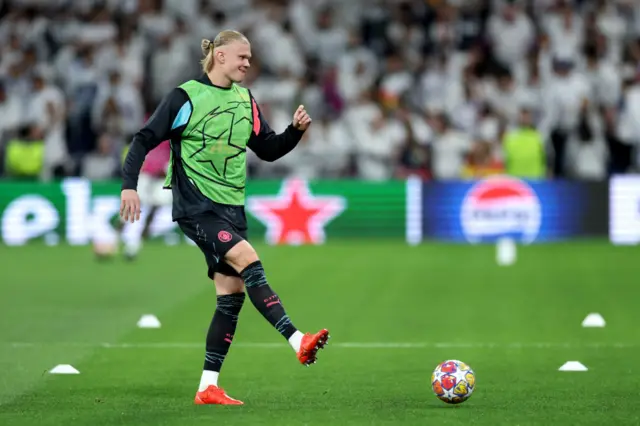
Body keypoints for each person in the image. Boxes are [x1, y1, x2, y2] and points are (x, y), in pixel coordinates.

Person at [119, 30, 329, 406]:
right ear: (219, 56)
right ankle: (298, 340)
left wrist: (294, 133)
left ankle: (207, 388)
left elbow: (266, 150)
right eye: (242, 57)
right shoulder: (186, 97)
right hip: (196, 207)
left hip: (232, 208)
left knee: (230, 297)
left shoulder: (245, 99)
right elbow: (143, 138)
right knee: (250, 262)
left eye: (250, 58)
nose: (248, 63)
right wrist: (129, 186)